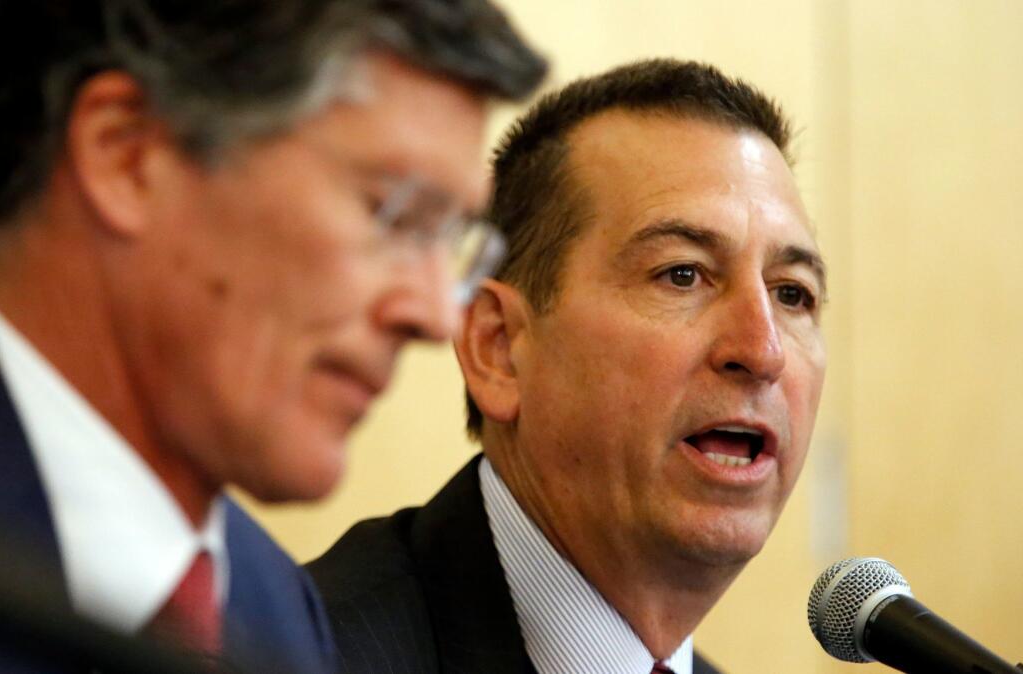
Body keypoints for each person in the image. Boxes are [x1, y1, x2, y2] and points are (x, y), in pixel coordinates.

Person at [0, 1, 545, 672]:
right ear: (127, 157)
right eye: (392, 212)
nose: (432, 314)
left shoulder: (280, 610)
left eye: (451, 241)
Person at [308, 58, 828, 674]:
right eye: (682, 274)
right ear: (497, 348)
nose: (763, 351)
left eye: (792, 293)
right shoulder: (301, 656)